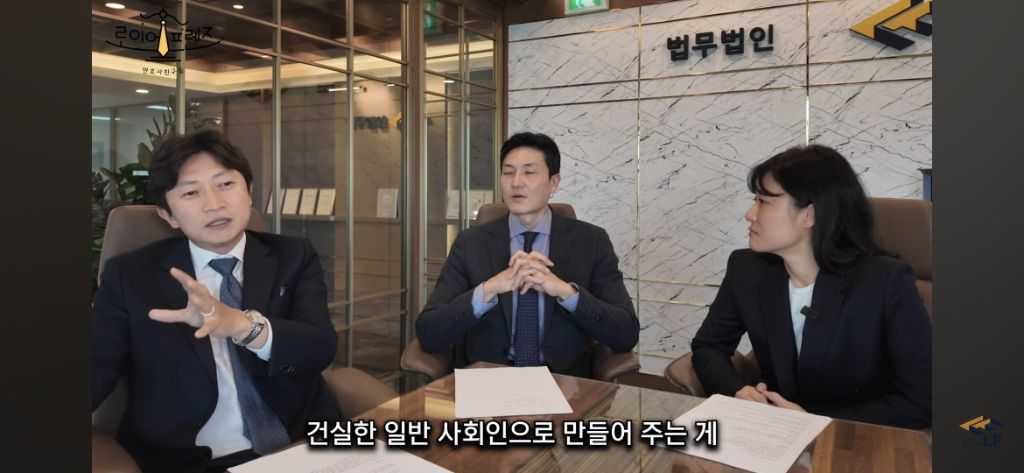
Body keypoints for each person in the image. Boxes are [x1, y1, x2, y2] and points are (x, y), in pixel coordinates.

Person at [92, 129, 341, 472]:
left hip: (299, 445)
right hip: (190, 460)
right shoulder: (131, 275)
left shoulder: (293, 256)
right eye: (191, 192)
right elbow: (97, 365)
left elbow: (320, 347)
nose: (214, 203)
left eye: (225, 184)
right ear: (168, 215)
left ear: (248, 190)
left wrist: (241, 325)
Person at [690, 144, 932, 429]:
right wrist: (737, 391)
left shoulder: (886, 281)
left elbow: (921, 401)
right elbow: (709, 346)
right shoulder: (747, 269)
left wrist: (814, 422)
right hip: (772, 433)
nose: (750, 213)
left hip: (853, 437)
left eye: (764, 201)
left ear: (810, 214)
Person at [416, 132, 638, 377]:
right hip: (488, 380)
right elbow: (428, 333)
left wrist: (566, 292)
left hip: (564, 382)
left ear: (553, 183)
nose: (516, 182)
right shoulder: (470, 244)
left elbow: (626, 333)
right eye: (508, 172)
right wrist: (488, 289)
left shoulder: (591, 242)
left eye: (529, 172)